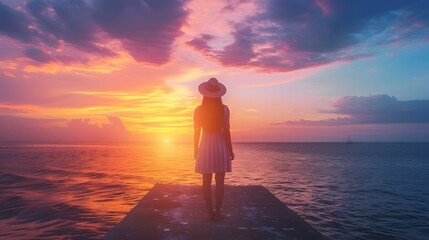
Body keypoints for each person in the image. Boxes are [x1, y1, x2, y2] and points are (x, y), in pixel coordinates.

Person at [194, 77, 234, 221]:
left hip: (205, 145)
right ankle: (217, 212)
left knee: (206, 180)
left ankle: (210, 212)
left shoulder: (199, 110)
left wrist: (195, 150)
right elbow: (226, 131)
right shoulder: (224, 109)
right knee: (220, 181)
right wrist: (230, 150)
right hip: (220, 144)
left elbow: (196, 131)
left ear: (204, 94)